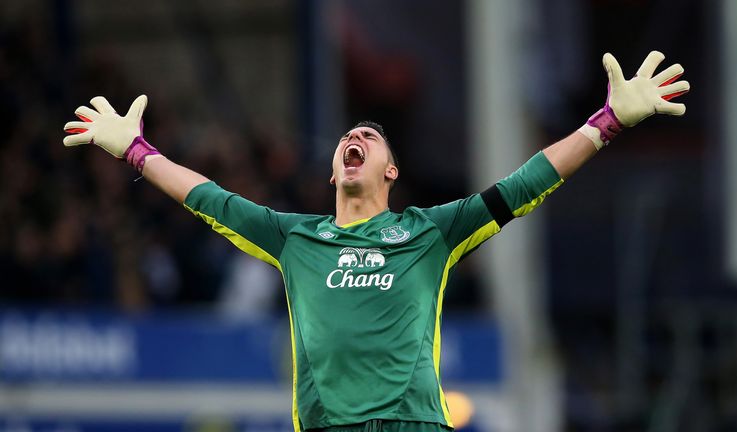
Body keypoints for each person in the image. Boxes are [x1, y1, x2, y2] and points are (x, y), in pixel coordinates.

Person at [63, 51, 689, 432]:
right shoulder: (294, 239)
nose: (353, 139)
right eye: (346, 140)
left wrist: (604, 124)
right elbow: (209, 199)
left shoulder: (430, 232)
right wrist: (137, 151)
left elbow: (524, 184)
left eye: (370, 136)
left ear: (390, 170)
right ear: (336, 170)